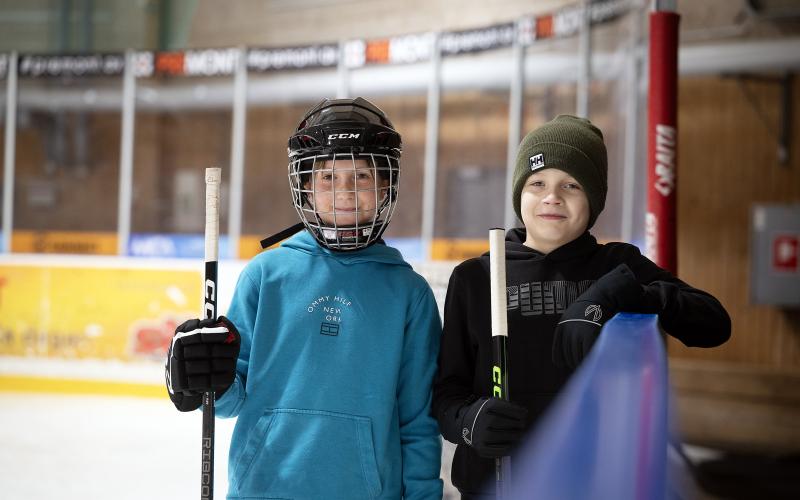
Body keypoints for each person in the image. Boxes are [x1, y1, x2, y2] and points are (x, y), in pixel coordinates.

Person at [432, 114, 731, 499]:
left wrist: (620, 292)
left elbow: (714, 324)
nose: (552, 196)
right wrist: (469, 421)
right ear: (519, 193)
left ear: (593, 198)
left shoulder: (616, 267)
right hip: (497, 485)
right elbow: (446, 394)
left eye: (571, 185)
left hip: (594, 483)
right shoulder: (477, 276)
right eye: (537, 183)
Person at [165, 97, 444, 500]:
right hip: (265, 488)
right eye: (328, 177)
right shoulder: (266, 275)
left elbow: (418, 420)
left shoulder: (409, 294)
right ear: (306, 187)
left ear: (385, 185)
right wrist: (202, 380)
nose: (345, 191)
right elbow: (229, 399)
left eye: (362, 176)